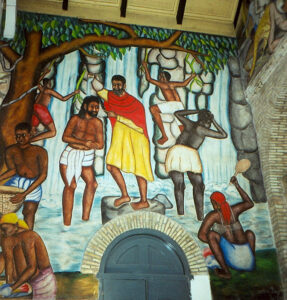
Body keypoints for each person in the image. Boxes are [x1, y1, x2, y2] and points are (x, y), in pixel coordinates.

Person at [97, 75, 154, 210]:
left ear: (124, 85)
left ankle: (144, 201)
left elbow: (139, 126)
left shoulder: (135, 104)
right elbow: (98, 89)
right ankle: (124, 195)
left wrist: (117, 117)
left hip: (138, 138)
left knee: (139, 169)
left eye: (118, 85)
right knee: (111, 165)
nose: (116, 87)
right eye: (114, 85)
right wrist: (92, 76)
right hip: (121, 137)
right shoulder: (111, 97)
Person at [165, 109, 227, 220]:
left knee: (179, 185)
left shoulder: (189, 124)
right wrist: (214, 122)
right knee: (199, 186)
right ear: (206, 121)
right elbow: (223, 135)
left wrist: (196, 111)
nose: (209, 125)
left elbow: (177, 113)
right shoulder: (202, 129)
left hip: (176, 151)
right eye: (209, 123)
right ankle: (200, 216)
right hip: (190, 154)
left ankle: (181, 214)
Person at [198, 176, 256, 279]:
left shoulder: (214, 215)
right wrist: (236, 185)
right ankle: (252, 264)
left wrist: (217, 243)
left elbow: (201, 235)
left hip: (233, 260)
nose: (212, 205)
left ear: (215, 203)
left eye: (212, 203)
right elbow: (249, 203)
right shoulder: (234, 210)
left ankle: (226, 272)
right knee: (249, 233)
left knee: (211, 235)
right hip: (248, 261)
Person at [60, 96, 104, 227]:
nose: (95, 109)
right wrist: (84, 143)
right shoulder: (75, 119)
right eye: (92, 106)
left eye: (97, 107)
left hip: (87, 157)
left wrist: (88, 146)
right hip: (70, 155)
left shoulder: (98, 123)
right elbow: (65, 137)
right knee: (71, 185)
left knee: (92, 184)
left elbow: (100, 144)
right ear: (85, 106)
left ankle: (85, 219)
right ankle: (66, 224)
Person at [0, 122, 48, 229]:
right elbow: (12, 171)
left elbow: (43, 175)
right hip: (16, 182)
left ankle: (27, 239)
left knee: (28, 213)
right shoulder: (10, 150)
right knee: (4, 213)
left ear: (30, 134)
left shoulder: (40, 152)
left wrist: (25, 193)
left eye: (23, 135)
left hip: (33, 184)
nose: (20, 138)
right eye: (17, 136)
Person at [0, 213, 57, 299]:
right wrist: (9, 285)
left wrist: (12, 288)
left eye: (5, 229)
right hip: (22, 284)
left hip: (42, 281)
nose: (3, 232)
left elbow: (32, 268)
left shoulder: (29, 236)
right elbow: (9, 263)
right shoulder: (6, 239)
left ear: (15, 225)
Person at [142, 61, 195, 144]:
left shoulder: (163, 84)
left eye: (160, 77)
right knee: (181, 127)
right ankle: (187, 142)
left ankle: (164, 135)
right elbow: (184, 83)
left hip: (172, 105)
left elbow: (149, 79)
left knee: (153, 109)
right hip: (179, 105)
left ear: (163, 77)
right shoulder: (172, 84)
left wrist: (145, 66)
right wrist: (192, 76)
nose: (159, 78)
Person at [31, 75, 80, 143]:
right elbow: (63, 98)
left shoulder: (41, 89)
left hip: (35, 107)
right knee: (53, 132)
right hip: (41, 109)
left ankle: (29, 140)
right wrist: (74, 93)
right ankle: (31, 140)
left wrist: (45, 73)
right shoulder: (49, 91)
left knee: (32, 130)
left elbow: (37, 82)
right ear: (48, 84)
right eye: (50, 83)